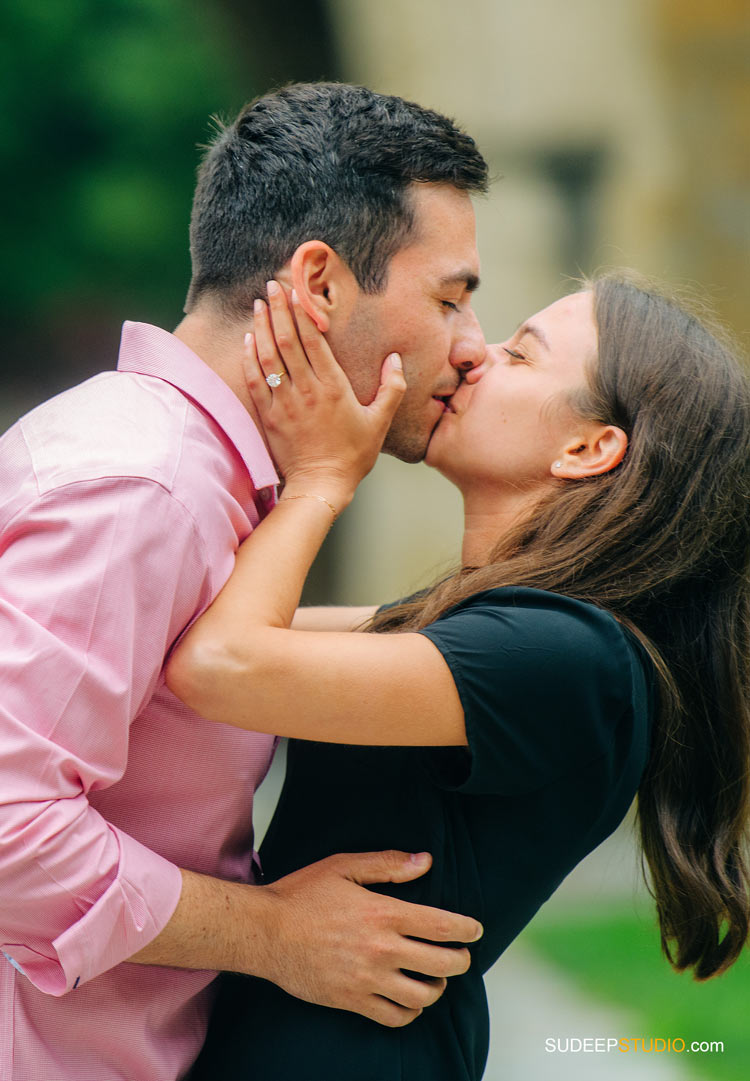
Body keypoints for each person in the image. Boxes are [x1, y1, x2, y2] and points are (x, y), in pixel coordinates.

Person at [0, 83, 490, 1081]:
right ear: (318, 285)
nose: (471, 344)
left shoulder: (187, 481)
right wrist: (274, 933)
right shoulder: (145, 490)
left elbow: (181, 667)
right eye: (448, 299)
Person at [167, 274, 750, 1081]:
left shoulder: (568, 655)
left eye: (520, 354)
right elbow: (189, 638)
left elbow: (220, 666)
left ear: (588, 448)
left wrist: (324, 479)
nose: (475, 354)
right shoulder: (475, 626)